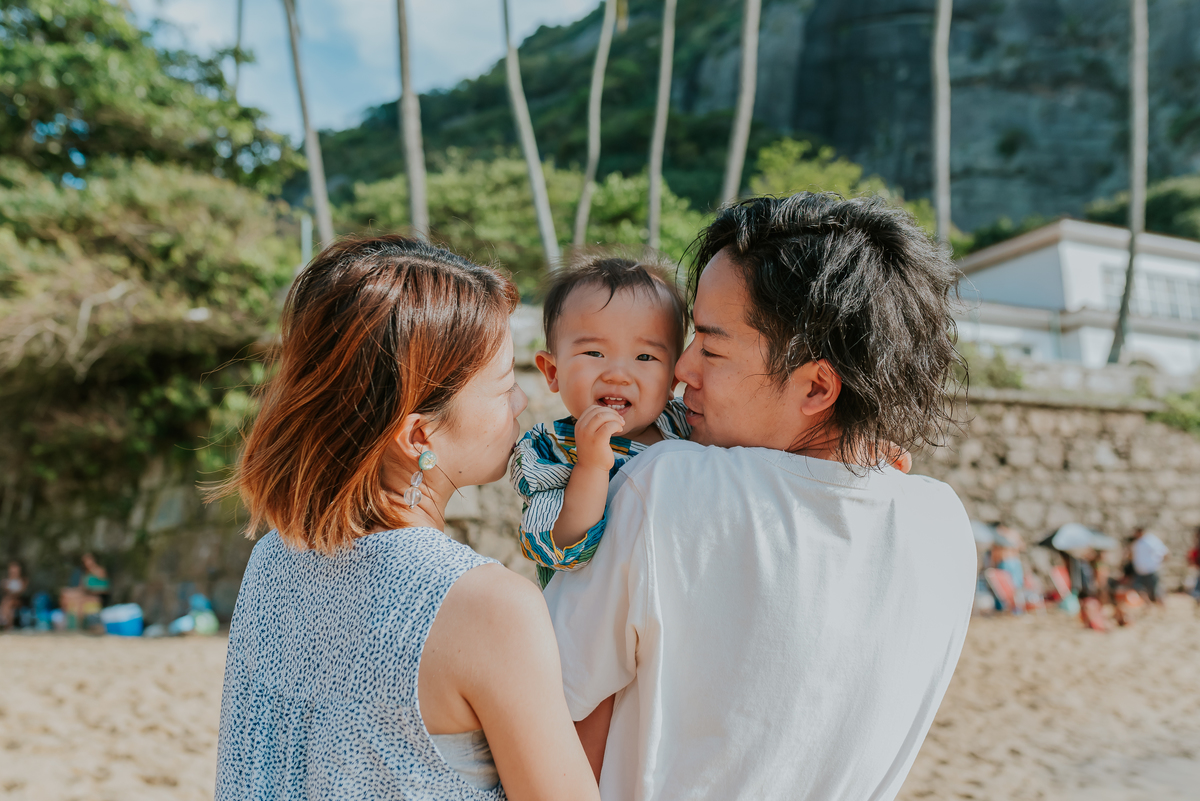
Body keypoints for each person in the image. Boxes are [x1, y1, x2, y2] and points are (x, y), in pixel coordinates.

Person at [544, 193, 977, 801]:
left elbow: (551, 714)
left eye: (712, 348)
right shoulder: (944, 524)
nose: (682, 369)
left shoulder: (668, 485)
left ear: (817, 386)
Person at [214, 236, 599, 801]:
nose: (522, 402)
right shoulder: (487, 605)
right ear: (419, 435)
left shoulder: (271, 562)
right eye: (503, 386)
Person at [511, 257, 690, 588]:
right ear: (553, 372)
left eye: (645, 357)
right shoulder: (550, 449)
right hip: (597, 621)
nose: (618, 375)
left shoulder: (688, 426)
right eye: (594, 353)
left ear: (673, 379)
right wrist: (591, 467)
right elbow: (559, 548)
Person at [1130, 527, 1169, 607]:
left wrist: (1158, 564)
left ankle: (1162, 607)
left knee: (1156, 591)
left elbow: (1164, 552)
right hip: (1140, 571)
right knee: (1138, 588)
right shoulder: (1137, 543)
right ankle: (1148, 605)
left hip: (1151, 570)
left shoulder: (1151, 540)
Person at [1, 560, 27, 630]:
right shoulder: (6, 581)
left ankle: (5, 623)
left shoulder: (23, 580)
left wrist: (11, 592)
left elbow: (21, 593)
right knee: (7, 603)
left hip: (19, 601)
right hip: (8, 601)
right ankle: (6, 623)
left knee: (8, 602)